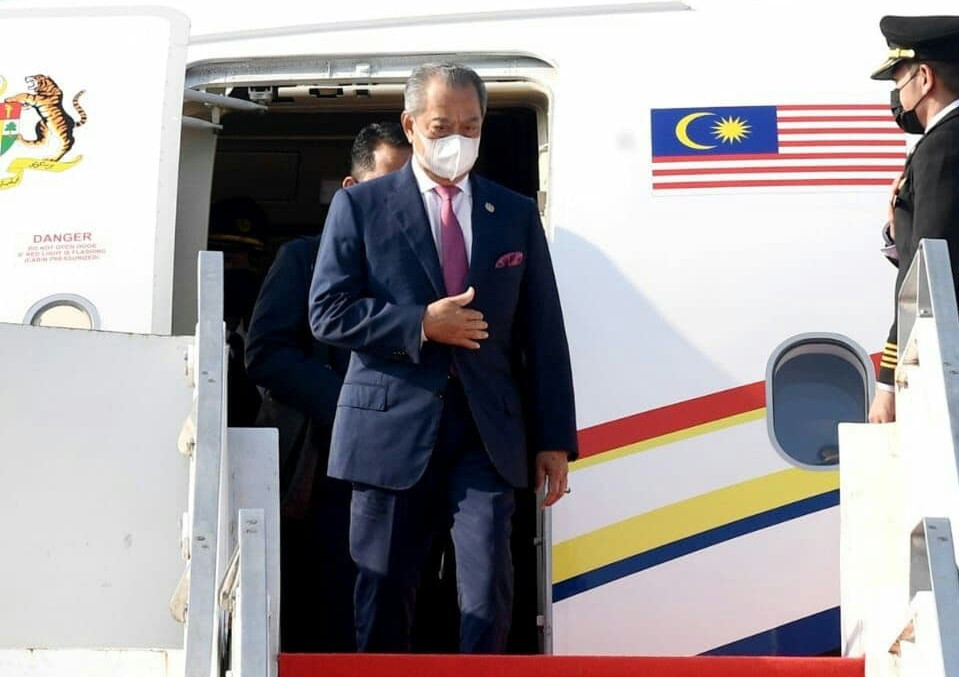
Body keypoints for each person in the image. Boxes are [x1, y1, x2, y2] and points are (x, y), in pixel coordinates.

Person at [309, 63, 578, 654]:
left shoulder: (512, 213)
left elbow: (544, 331)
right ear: (410, 125)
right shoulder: (361, 207)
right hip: (389, 432)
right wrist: (422, 324)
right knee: (382, 598)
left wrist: (554, 439)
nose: (457, 137)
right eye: (441, 125)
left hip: (486, 436)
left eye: (470, 124)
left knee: (488, 596)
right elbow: (326, 312)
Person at [244, 122, 412, 652]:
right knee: (321, 613)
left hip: (399, 466)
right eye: (385, 184)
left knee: (390, 611)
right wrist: (350, 406)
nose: (398, 201)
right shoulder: (302, 258)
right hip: (321, 470)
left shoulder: (423, 269)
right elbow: (265, 353)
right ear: (349, 189)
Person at [868, 16, 959, 424]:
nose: (897, 96)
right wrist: (896, 228)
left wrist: (889, 383)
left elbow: (928, 275)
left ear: (924, 78)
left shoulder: (942, 146)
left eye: (899, 80)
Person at [208, 196, 270, 427]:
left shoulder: (273, 342)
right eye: (228, 260)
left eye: (251, 261)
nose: (240, 269)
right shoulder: (192, 337)